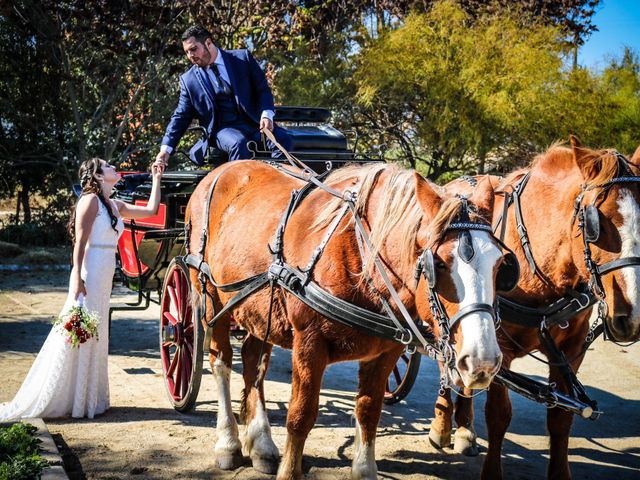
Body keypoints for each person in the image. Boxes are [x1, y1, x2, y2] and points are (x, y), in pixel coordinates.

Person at [0, 158, 163, 420]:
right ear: (98, 176)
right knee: (80, 329)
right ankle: (71, 399)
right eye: (108, 166)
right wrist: (77, 276)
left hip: (106, 272)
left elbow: (152, 210)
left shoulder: (114, 205)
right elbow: (79, 242)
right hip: (90, 271)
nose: (114, 168)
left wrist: (156, 178)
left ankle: (88, 399)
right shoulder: (89, 202)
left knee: (95, 331)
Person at [154, 24, 291, 168]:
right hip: (222, 130)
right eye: (187, 52)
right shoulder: (189, 81)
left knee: (282, 138)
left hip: (253, 124)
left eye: (193, 49)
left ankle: (274, 183)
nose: (190, 56)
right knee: (238, 143)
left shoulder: (242, 58)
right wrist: (166, 149)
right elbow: (180, 117)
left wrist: (266, 114)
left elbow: (262, 89)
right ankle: (239, 189)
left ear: (208, 43)